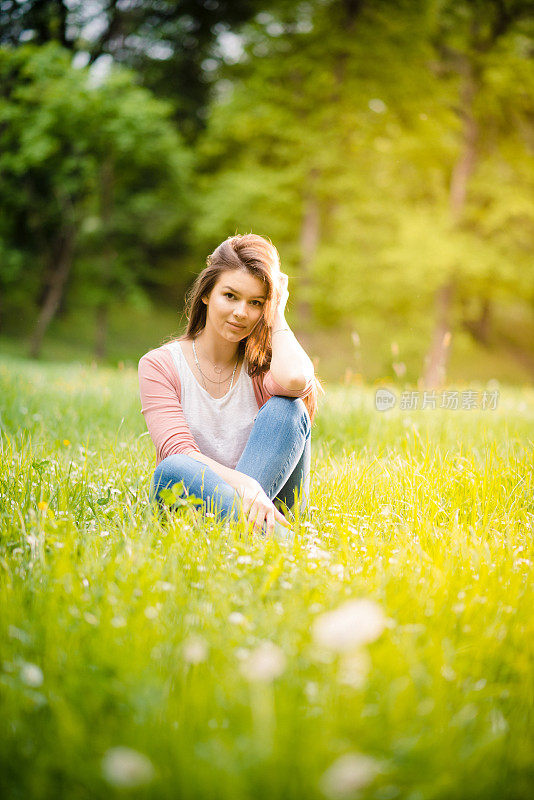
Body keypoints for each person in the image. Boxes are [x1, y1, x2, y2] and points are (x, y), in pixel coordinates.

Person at [138, 233, 321, 538]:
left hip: (271, 505)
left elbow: (295, 381)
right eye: (231, 296)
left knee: (287, 410)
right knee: (174, 468)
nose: (241, 312)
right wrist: (246, 486)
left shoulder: (262, 367)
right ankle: (282, 544)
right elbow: (177, 450)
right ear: (207, 293)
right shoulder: (159, 365)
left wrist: (276, 312)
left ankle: (252, 535)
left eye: (255, 303)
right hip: (193, 505)